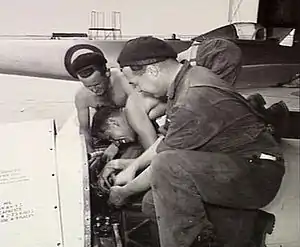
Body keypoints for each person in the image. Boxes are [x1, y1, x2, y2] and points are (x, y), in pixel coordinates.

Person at [100, 36, 285, 247]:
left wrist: (125, 192)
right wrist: (132, 166)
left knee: (167, 168)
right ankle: (245, 229)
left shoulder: (193, 97)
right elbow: (167, 140)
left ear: (152, 71)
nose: (139, 90)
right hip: (237, 163)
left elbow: (165, 162)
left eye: (136, 83)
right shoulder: (188, 79)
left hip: (258, 174)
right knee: (153, 204)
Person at [71, 51, 166, 154]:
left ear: (107, 73)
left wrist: (117, 144)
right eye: (88, 86)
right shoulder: (82, 96)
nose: (94, 90)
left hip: (139, 123)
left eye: (97, 84)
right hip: (115, 132)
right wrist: (89, 154)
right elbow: (85, 130)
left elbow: (140, 111)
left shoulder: (123, 79)